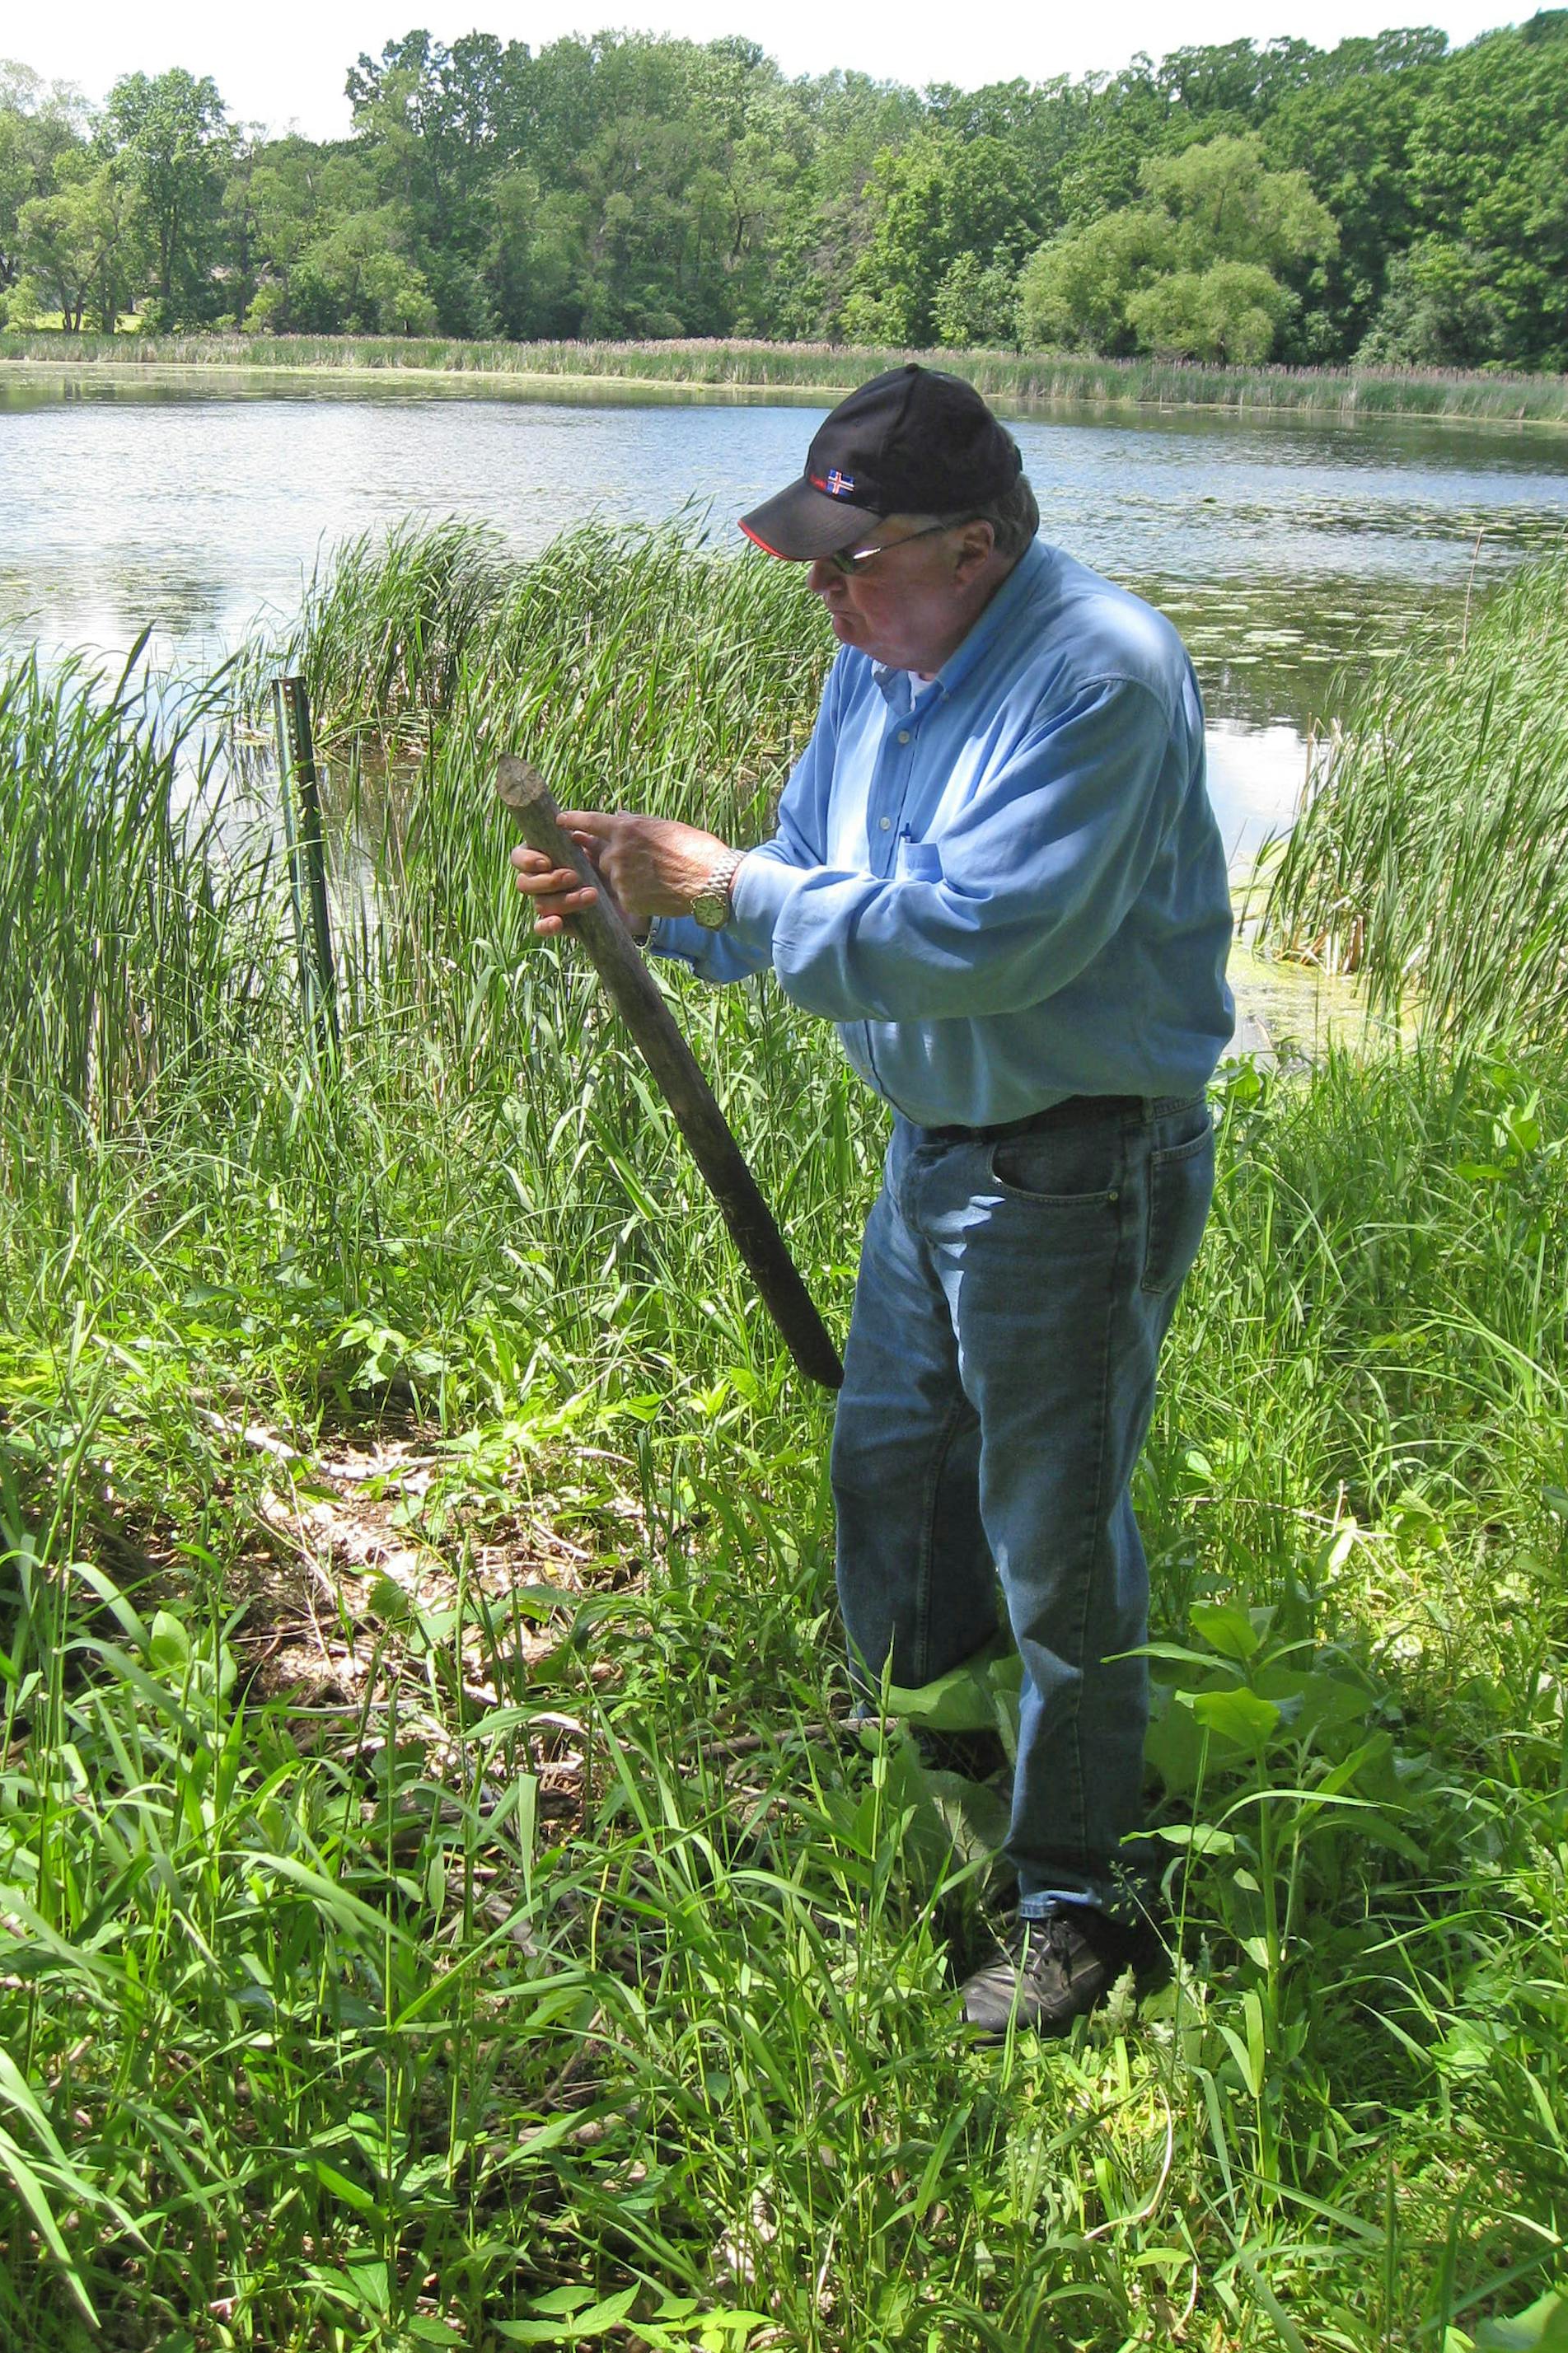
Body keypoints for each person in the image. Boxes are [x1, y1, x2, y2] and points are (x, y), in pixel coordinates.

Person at [510, 365, 1234, 2040]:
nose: (828, 599)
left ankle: (1073, 1898)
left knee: (1054, 1540)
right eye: (811, 565)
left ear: (974, 546)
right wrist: (654, 906)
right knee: (896, 1468)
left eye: (856, 563)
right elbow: (815, 890)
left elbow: (983, 938)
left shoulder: (1099, 675)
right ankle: (930, 1751)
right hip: (941, 1152)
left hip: (1076, 1161)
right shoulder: (884, 666)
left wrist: (736, 885)